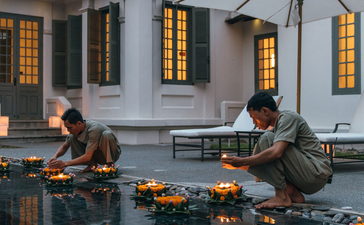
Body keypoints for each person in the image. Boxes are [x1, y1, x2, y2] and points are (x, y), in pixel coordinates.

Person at [221, 92, 333, 209]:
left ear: (265, 111)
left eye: (254, 118)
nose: (254, 123)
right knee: (267, 144)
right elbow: (268, 163)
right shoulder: (278, 127)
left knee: (267, 139)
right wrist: (238, 165)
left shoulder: (288, 117)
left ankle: (282, 197)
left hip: (316, 174)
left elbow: (276, 152)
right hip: (307, 175)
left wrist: (243, 161)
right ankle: (291, 192)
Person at [47, 108, 122, 173]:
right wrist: (55, 156)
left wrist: (64, 164)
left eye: (70, 128)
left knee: (106, 134)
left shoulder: (93, 129)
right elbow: (64, 147)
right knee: (72, 137)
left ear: (79, 123)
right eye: (67, 128)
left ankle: (110, 166)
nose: (68, 130)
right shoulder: (76, 131)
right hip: (96, 154)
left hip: (111, 154)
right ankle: (92, 165)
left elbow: (88, 156)